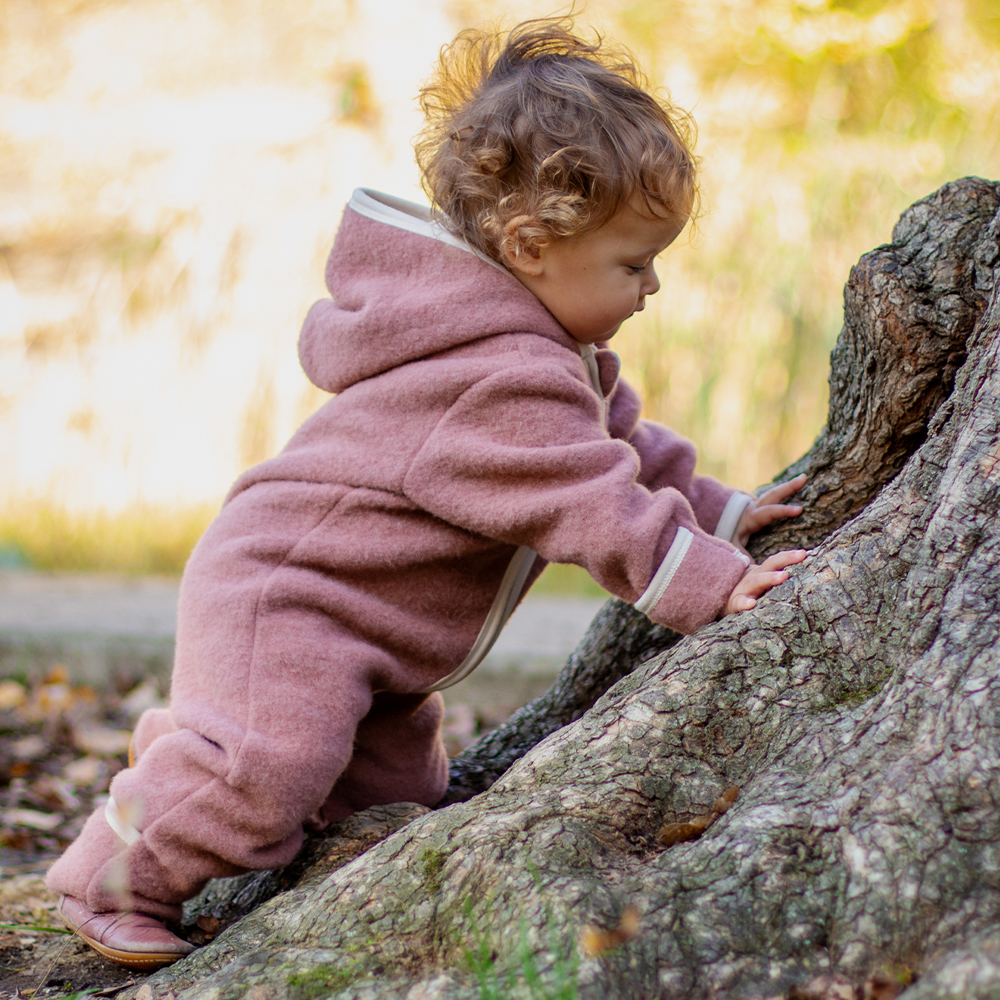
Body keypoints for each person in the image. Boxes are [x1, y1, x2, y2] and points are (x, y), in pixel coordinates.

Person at [48, 17, 807, 969]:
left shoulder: (540, 355)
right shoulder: (497, 374)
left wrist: (725, 511)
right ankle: (108, 877)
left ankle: (352, 851)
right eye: (632, 263)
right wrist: (709, 580)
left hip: (372, 619)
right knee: (257, 768)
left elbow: (622, 447)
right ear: (530, 245)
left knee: (395, 792)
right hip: (290, 595)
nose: (651, 288)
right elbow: (588, 498)